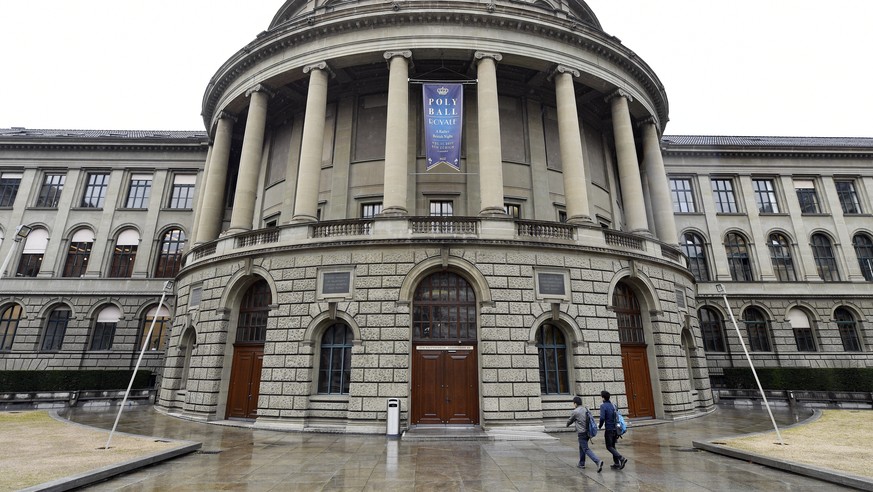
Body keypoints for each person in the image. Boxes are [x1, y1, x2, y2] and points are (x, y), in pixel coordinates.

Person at [566, 396, 604, 472]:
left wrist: (567, 424)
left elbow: (570, 420)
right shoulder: (586, 409)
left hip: (581, 433)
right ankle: (581, 463)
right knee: (582, 447)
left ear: (575, 403)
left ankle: (597, 461)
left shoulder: (576, 411)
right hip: (587, 432)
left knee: (585, 449)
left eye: (574, 403)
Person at [598, 390, 628, 470]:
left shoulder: (603, 406)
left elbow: (602, 418)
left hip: (609, 429)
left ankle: (621, 458)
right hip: (616, 429)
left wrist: (600, 426)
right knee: (613, 446)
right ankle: (617, 463)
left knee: (609, 446)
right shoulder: (613, 405)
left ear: (603, 398)